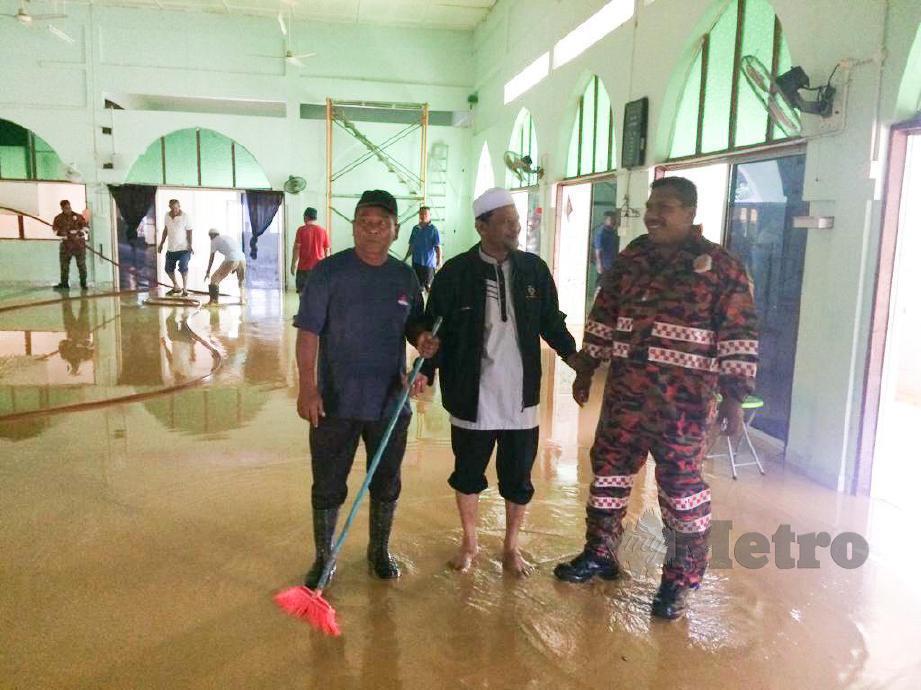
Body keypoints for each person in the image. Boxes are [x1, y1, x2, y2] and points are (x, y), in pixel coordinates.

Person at [553, 177, 759, 621]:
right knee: (608, 474)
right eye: (650, 205)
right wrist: (588, 366)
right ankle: (600, 553)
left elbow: (738, 335)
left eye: (664, 206)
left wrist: (735, 398)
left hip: (683, 407)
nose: (653, 214)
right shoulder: (633, 259)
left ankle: (679, 582)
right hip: (627, 395)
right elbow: (604, 313)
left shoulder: (723, 268)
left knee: (681, 492)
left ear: (689, 212)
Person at [421, 187, 580, 577]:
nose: (515, 227)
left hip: (520, 399)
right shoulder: (455, 273)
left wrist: (575, 358)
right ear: (481, 226)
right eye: (506, 222)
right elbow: (433, 329)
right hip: (470, 394)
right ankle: (470, 541)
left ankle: (511, 547)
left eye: (516, 221)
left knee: (517, 477)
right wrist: (426, 371)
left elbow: (550, 321)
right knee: (468, 473)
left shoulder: (533, 270)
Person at [294, 189, 439, 587]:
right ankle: (324, 557)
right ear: (354, 226)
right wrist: (307, 389)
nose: (371, 231)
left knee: (387, 481)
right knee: (327, 484)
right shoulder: (328, 273)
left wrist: (422, 342)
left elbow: (415, 326)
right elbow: (308, 333)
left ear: (395, 231)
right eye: (364, 223)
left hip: (389, 403)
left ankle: (379, 550)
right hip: (335, 401)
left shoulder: (404, 276)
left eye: (381, 224)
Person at [157, 199, 193, 297]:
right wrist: (161, 244)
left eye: (176, 208)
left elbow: (189, 231)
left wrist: (190, 245)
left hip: (184, 248)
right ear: (169, 207)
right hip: (171, 248)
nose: (174, 210)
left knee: (183, 267)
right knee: (168, 269)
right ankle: (176, 287)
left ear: (179, 206)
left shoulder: (185, 216)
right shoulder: (167, 215)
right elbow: (165, 230)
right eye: (172, 208)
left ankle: (185, 289)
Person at [291, 207, 330, 293]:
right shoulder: (323, 231)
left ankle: (303, 306)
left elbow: (297, 248)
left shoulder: (301, 230)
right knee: (317, 294)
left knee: (302, 293)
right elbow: (327, 251)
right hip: (318, 269)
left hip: (303, 269)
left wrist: (293, 264)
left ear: (306, 217)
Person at [403, 206, 442, 292]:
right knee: (417, 288)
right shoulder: (415, 229)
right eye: (421, 214)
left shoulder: (433, 230)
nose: (423, 216)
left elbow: (438, 247)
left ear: (429, 215)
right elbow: (411, 246)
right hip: (416, 263)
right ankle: (419, 305)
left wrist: (439, 261)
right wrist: (405, 258)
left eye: (425, 214)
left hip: (428, 264)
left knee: (429, 288)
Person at [52, 200, 88, 291]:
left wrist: (78, 233)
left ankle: (83, 284)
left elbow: (86, 228)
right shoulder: (58, 218)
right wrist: (65, 234)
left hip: (79, 245)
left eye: (69, 207)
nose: (68, 209)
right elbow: (55, 231)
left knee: (81, 265)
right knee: (64, 266)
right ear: (62, 208)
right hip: (66, 246)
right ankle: (64, 284)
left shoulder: (78, 217)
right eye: (65, 208)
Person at [204, 229, 246, 306]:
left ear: (212, 235)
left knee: (214, 279)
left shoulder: (214, 240)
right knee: (241, 280)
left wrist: (208, 271)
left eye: (209, 236)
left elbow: (211, 258)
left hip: (231, 258)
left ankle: (213, 301)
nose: (210, 238)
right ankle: (242, 299)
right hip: (242, 258)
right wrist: (234, 267)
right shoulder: (227, 237)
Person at [593, 210, 620, 276]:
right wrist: (599, 265)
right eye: (612, 219)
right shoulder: (601, 234)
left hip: (612, 265)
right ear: (605, 220)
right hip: (604, 267)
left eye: (614, 219)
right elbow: (598, 251)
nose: (614, 221)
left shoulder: (612, 232)